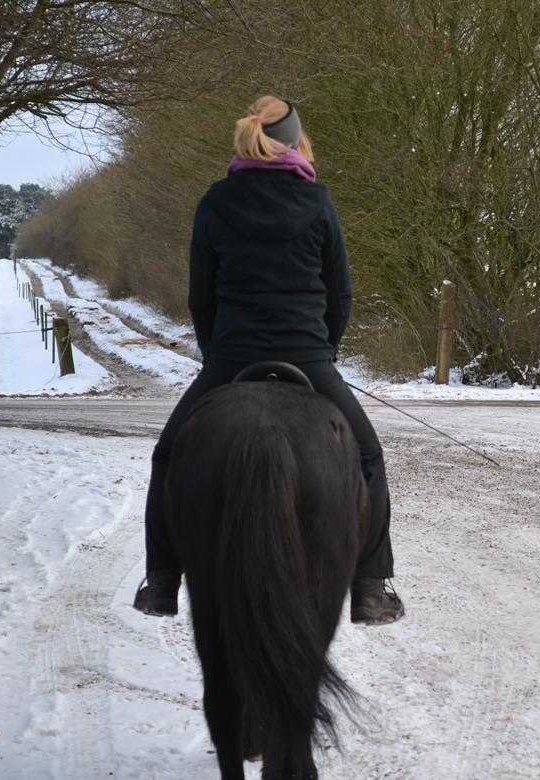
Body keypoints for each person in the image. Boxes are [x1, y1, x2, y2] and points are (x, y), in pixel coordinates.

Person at [132, 95, 404, 625]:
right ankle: (370, 587)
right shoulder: (318, 202)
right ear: (297, 142)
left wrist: (218, 356)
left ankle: (162, 581)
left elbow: (201, 297)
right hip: (307, 352)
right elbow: (340, 293)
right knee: (368, 458)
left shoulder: (215, 202)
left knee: (167, 457)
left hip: (230, 356)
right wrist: (323, 351)